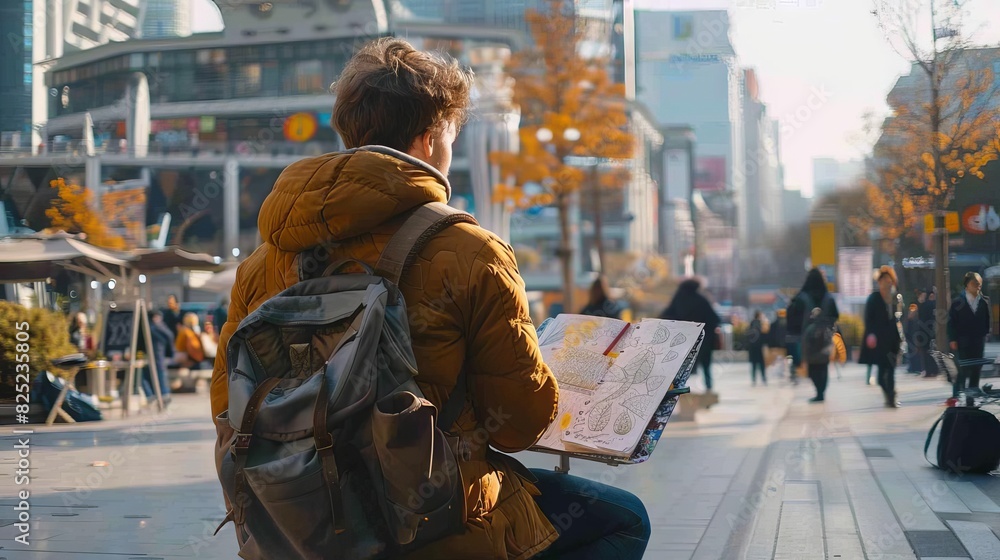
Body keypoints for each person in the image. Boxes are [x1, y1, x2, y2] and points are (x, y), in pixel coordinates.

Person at [210, 38, 649, 560]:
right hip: (432, 521)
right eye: (451, 135)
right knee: (623, 520)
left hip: (299, 520)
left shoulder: (264, 261)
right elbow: (515, 425)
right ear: (428, 137)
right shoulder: (471, 252)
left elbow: (226, 405)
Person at [660, 278, 722, 391]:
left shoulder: (678, 300)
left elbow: (666, 316)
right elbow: (715, 319)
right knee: (706, 365)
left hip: (683, 342)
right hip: (704, 340)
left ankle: (679, 390)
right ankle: (708, 388)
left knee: (682, 368)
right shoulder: (701, 300)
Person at [787, 268, 839, 402]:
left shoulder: (802, 297)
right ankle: (821, 392)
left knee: (812, 366)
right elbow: (835, 315)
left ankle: (818, 391)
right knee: (823, 364)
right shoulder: (828, 298)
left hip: (807, 339)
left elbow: (792, 315)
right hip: (826, 338)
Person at [859, 266, 902, 408]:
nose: (887, 283)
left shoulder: (895, 298)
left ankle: (891, 397)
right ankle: (889, 394)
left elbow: (900, 319)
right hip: (879, 341)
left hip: (893, 341)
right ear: (879, 282)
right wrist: (870, 334)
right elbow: (868, 318)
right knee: (880, 377)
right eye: (883, 280)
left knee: (891, 371)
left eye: (889, 280)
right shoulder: (874, 298)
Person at [948, 272, 991, 406]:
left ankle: (970, 399)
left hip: (978, 341)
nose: (978, 286)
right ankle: (956, 397)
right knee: (962, 370)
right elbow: (951, 322)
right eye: (975, 283)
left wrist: (985, 334)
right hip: (962, 341)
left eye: (979, 284)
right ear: (967, 285)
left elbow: (987, 321)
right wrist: (953, 339)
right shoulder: (957, 302)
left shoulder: (984, 301)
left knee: (976, 370)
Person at [142, 309, 174, 405]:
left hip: (150, 357)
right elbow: (170, 336)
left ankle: (152, 395)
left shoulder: (148, 327)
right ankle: (164, 395)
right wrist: (170, 353)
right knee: (160, 376)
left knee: (146, 377)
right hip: (159, 356)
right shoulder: (159, 327)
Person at [918, 287, 940, 377]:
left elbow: (920, 319)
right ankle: (935, 369)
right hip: (935, 332)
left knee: (926, 352)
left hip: (925, 332)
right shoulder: (937, 305)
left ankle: (928, 370)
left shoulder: (923, 305)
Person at [747, 310, 768, 386]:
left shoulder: (751, 323)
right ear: (759, 316)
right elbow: (762, 335)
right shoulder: (759, 324)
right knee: (761, 364)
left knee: (754, 364)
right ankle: (763, 378)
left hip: (752, 347)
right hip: (758, 347)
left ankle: (753, 379)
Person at [768, 308, 789, 379]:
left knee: (780, 359)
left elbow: (771, 336)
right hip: (784, 345)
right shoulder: (787, 324)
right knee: (783, 359)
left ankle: (782, 372)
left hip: (778, 345)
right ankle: (782, 372)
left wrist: (770, 346)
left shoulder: (774, 324)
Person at [904, 303, 922, 374]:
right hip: (910, 339)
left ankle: (916, 367)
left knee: (916, 353)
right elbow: (906, 329)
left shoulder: (916, 320)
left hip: (915, 339)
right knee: (911, 353)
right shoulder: (908, 320)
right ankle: (912, 367)